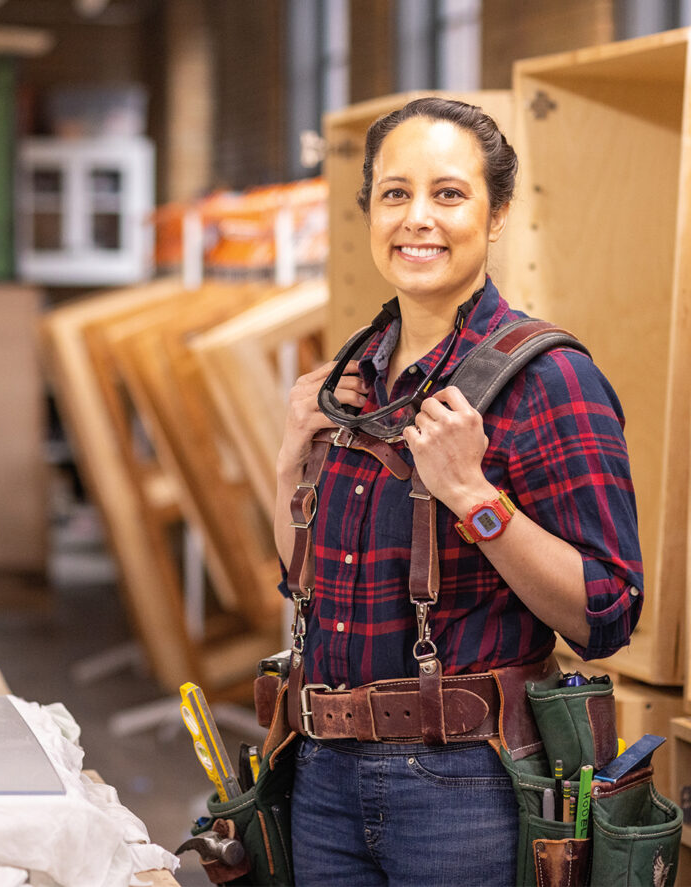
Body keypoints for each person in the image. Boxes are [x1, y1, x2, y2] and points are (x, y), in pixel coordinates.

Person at [274, 97, 643, 886]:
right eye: (395, 194)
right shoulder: (354, 378)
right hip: (321, 774)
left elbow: (607, 610)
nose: (417, 219)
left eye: (449, 193)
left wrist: (472, 493)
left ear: (497, 212)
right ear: (369, 210)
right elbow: (306, 577)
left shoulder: (549, 378)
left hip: (462, 787)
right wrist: (289, 457)